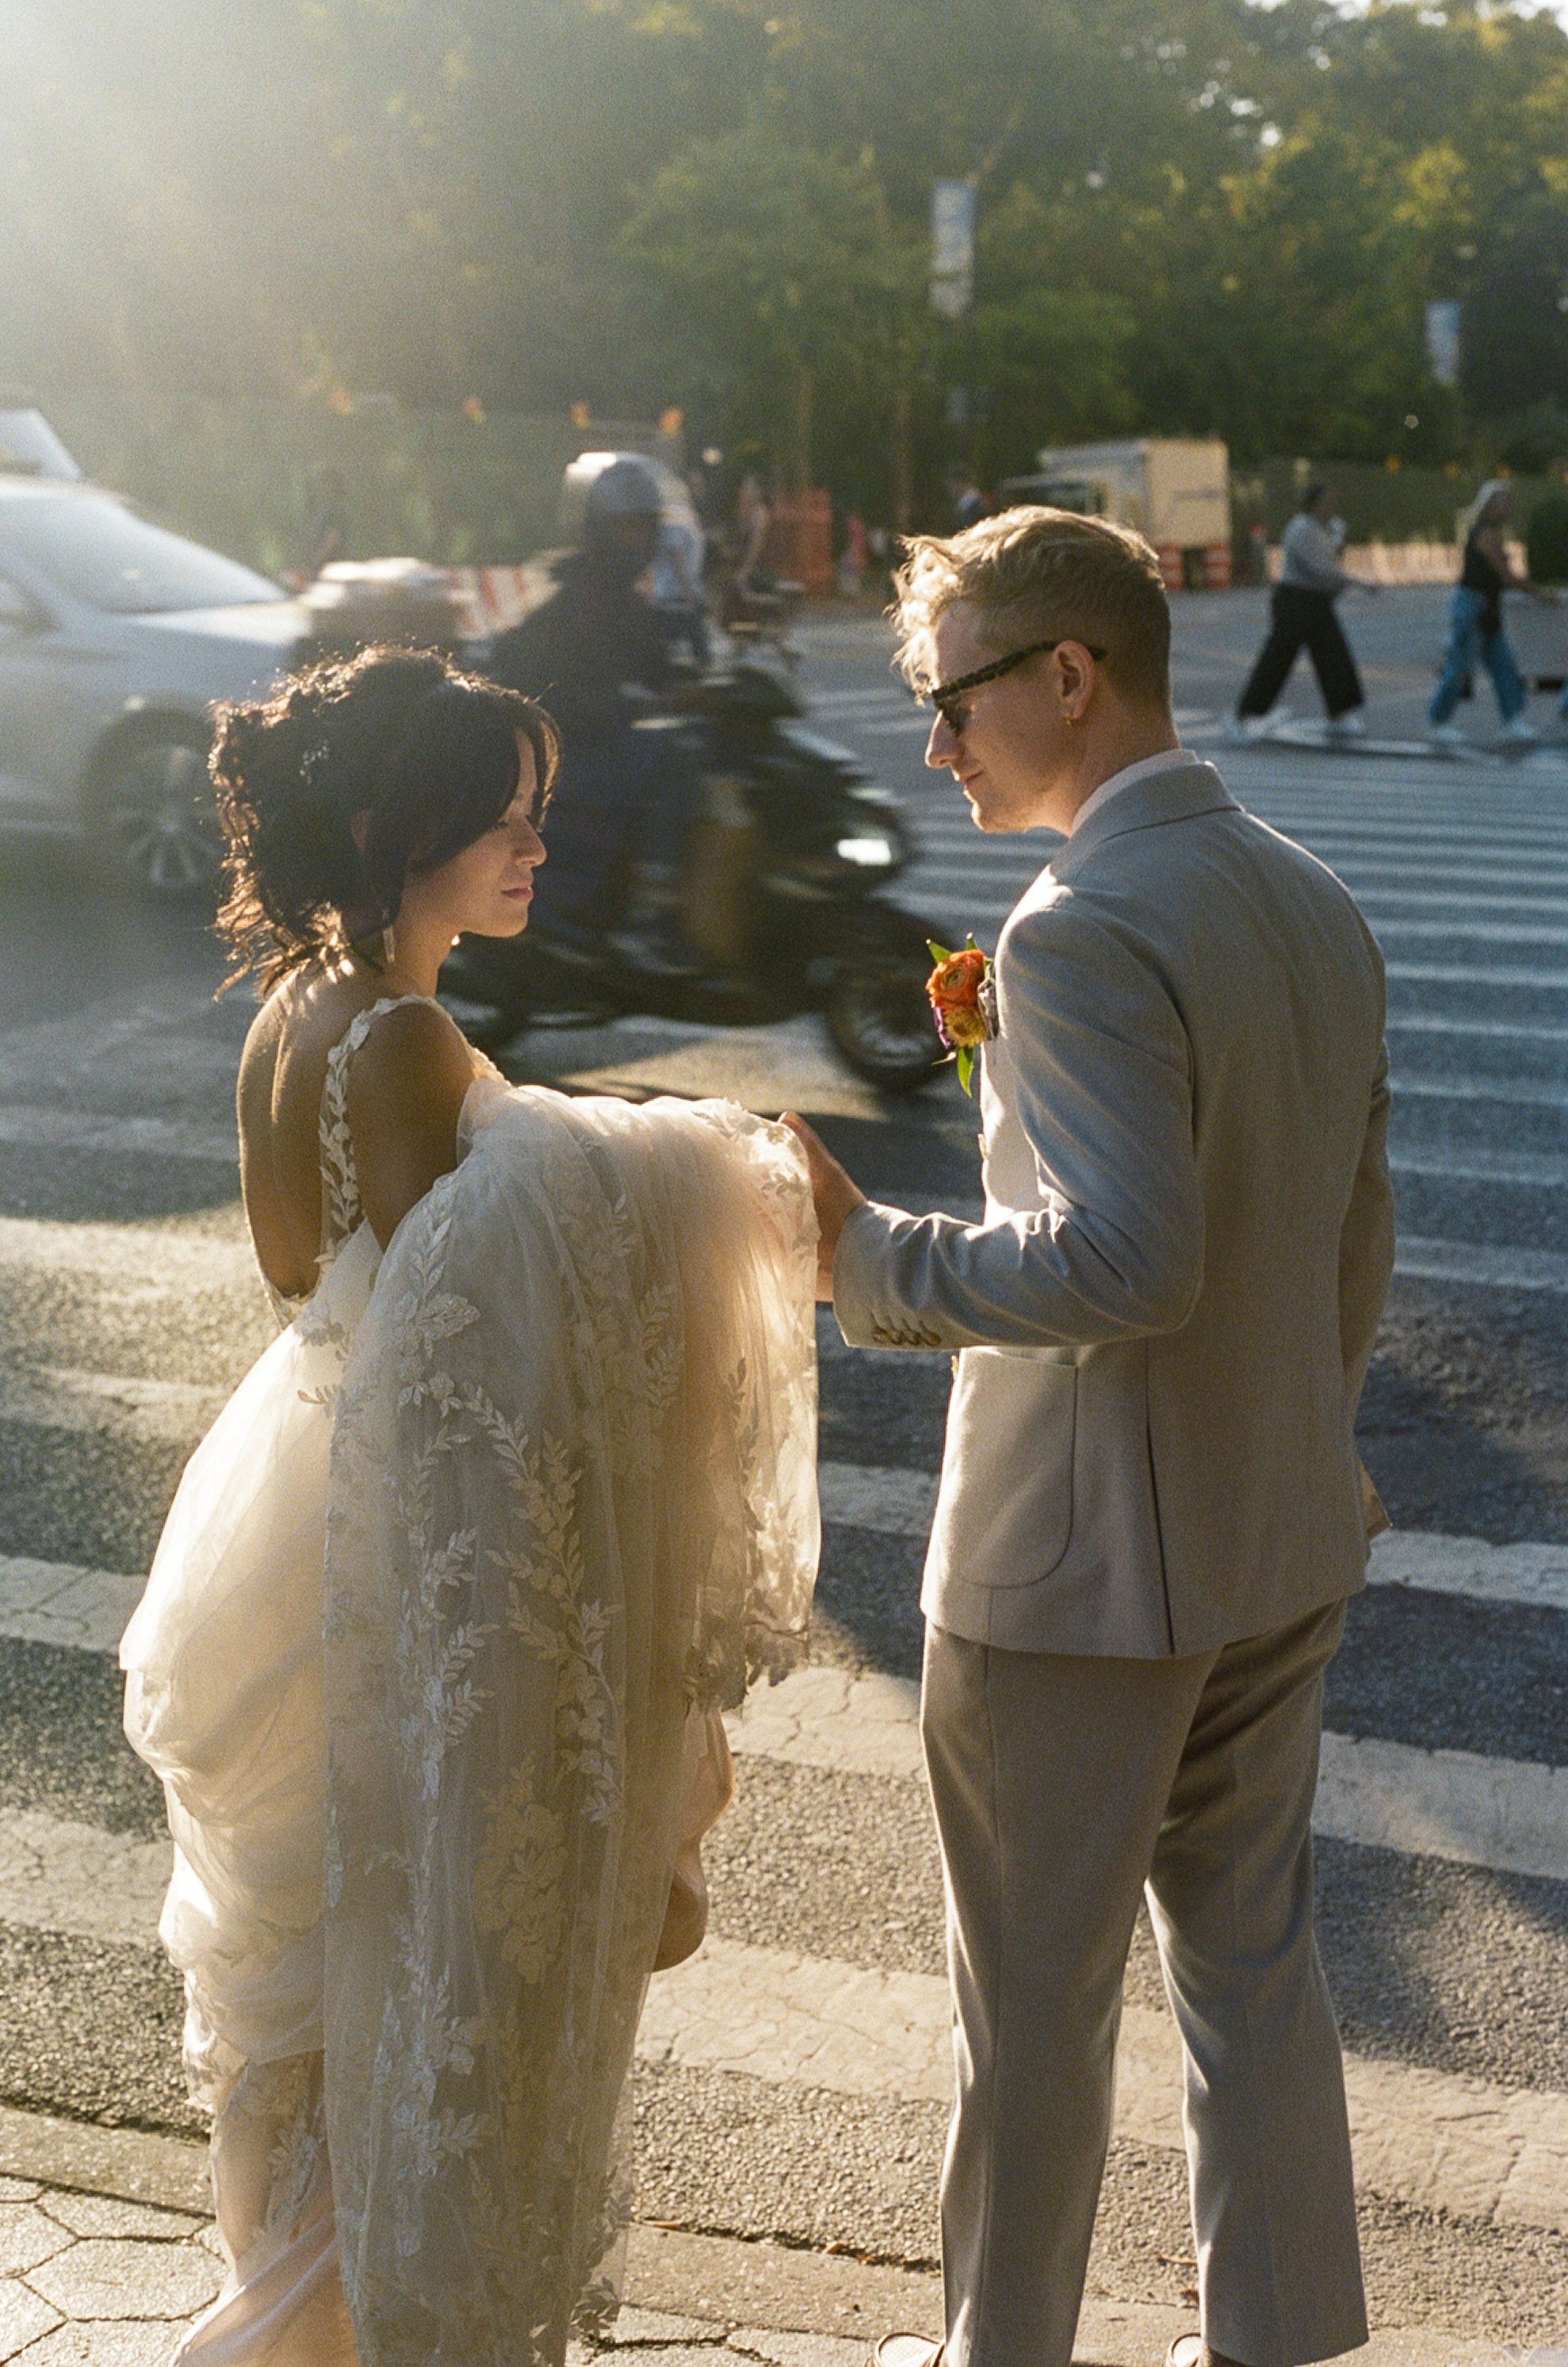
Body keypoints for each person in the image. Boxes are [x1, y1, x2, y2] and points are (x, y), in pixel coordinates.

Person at [120, 645, 819, 2366]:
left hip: (278, 1475)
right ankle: (325, 2326)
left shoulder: (294, 1014)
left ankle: (292, 2305)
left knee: (318, 1974)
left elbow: (316, 1278)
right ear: (387, 824)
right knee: (416, 1940)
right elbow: (484, 1341)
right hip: (391, 1514)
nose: (533, 849)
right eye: (501, 819)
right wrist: (718, 1169)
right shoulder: (412, 1037)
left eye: (538, 815)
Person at [783, 506, 1393, 2367]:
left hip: (1070, 1581)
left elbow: (1128, 1259)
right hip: (1273, 1531)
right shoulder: (1304, 892)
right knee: (1252, 1972)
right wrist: (1285, 1436)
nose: (933, 740)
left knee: (1030, 2013)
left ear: (1068, 674)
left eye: (951, 697)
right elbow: (1348, 1241)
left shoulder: (1077, 927)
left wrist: (858, 1253)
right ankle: (1276, 2339)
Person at [488, 457, 695, 971]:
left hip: (597, 745)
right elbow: (568, 699)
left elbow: (660, 664)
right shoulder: (575, 604)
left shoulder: (625, 602)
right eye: (628, 527)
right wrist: (645, 703)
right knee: (674, 757)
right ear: (599, 531)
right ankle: (653, 905)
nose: (638, 540)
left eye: (645, 527)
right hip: (567, 757)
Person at [1228, 481, 1377, 742]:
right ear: (1315, 504)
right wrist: (1361, 584)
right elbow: (1324, 570)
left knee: (1333, 655)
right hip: (1295, 600)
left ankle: (1338, 715)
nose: (1332, 507)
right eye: (1327, 502)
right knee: (1277, 660)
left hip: (1317, 601)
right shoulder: (1302, 529)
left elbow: (1332, 563)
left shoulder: (1327, 528)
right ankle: (1241, 716)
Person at [1428, 479, 1558, 749]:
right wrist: (1539, 593)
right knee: (1460, 668)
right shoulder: (1484, 533)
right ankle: (1439, 723)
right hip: (1473, 608)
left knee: (1504, 667)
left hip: (1488, 608)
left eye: (1510, 501)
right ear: (1488, 506)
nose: (1509, 507)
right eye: (1503, 502)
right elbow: (1506, 575)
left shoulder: (1493, 533)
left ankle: (1512, 722)